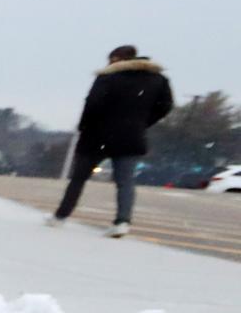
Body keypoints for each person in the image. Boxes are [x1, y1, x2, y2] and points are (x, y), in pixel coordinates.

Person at [50, 44, 175, 238]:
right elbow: (166, 106)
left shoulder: (107, 77)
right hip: (131, 136)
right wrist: (142, 122)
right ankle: (122, 221)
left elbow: (92, 104)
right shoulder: (157, 79)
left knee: (79, 178)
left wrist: (84, 127)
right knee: (125, 181)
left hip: (97, 135)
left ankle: (61, 215)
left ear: (116, 58)